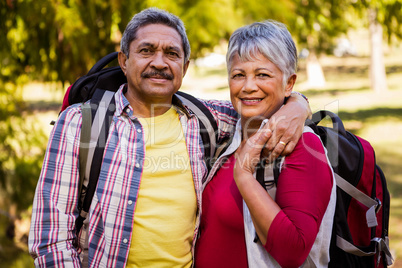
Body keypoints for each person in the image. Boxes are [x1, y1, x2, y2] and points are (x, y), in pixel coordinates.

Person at [28, 8, 310, 267]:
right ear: (124, 61)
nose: (160, 63)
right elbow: (51, 240)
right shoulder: (81, 123)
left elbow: (261, 103)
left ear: (184, 68)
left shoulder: (205, 119)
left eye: (172, 54)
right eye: (147, 50)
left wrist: (298, 103)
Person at [194, 20, 337, 268]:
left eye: (262, 74)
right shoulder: (227, 130)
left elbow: (293, 252)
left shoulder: (301, 145)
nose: (248, 87)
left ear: (289, 83)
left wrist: (244, 174)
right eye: (239, 75)